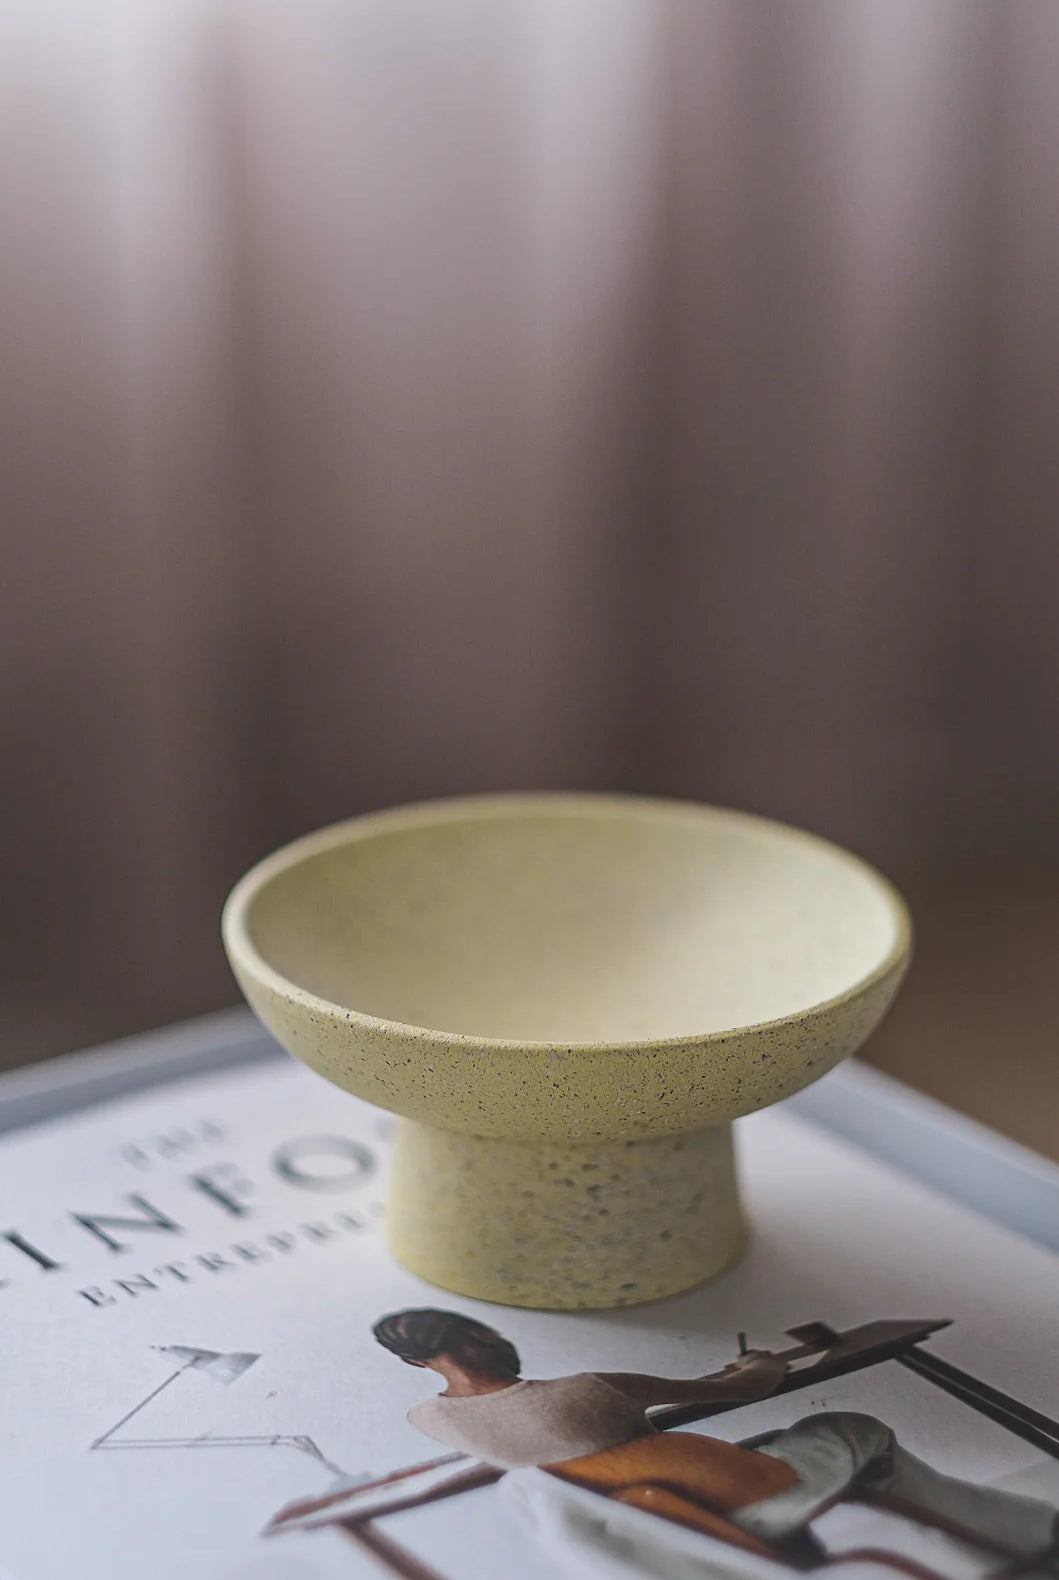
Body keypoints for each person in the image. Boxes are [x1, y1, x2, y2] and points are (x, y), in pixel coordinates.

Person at [374, 1308, 1059, 1566]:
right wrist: (754, 1361)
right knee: (849, 1428)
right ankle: (1001, 1531)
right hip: (749, 1492)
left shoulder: (427, 1419)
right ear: (482, 1332)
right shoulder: (587, 1386)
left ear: (411, 1362)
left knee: (788, 1434)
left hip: (660, 1512)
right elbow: (741, 1390)